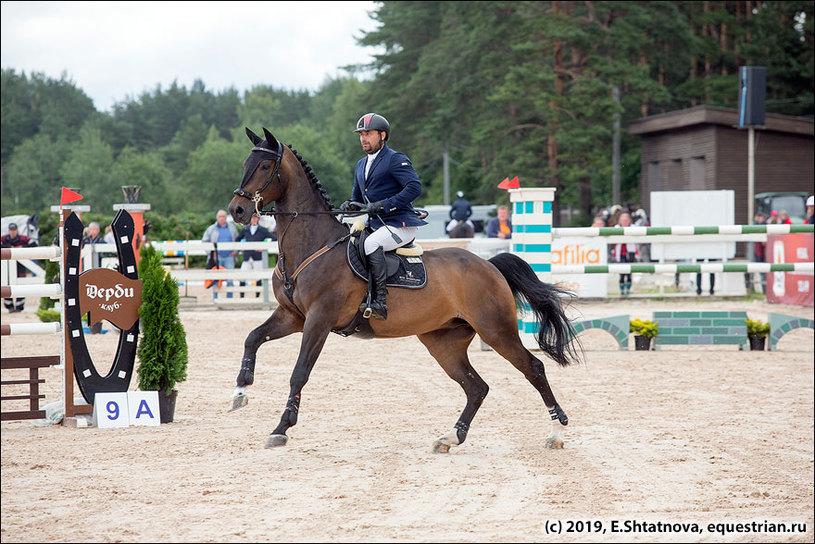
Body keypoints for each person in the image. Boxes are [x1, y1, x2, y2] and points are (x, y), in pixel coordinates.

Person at [339, 112, 427, 320]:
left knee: (371, 245)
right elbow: (357, 198)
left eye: (368, 133)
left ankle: (380, 301)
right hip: (377, 224)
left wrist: (384, 205)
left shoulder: (395, 159)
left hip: (399, 223)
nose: (363, 138)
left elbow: (414, 187)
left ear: (382, 135)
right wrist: (350, 206)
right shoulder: (361, 165)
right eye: (361, 134)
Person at [202, 209, 239, 299]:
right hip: (216, 258)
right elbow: (204, 242)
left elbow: (237, 240)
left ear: (226, 217)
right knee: (215, 279)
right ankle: (216, 299)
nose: (222, 218)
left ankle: (229, 299)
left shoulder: (232, 228)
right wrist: (211, 253)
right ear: (217, 218)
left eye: (223, 216)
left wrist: (235, 252)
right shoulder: (211, 229)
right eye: (220, 216)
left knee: (229, 279)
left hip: (229, 257)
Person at [1, 223, 38, 312]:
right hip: (7, 266)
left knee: (21, 284)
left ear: (17, 230)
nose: (12, 232)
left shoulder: (23, 239)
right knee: (7, 283)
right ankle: (9, 306)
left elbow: (34, 244)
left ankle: (19, 306)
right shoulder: (4, 238)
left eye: (14, 230)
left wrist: (22, 247)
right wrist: (9, 248)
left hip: (21, 265)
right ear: (9, 231)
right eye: (11, 230)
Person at [237, 213, 273, 298]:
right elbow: (237, 239)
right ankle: (242, 296)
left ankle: (257, 296)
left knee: (258, 277)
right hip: (247, 256)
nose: (253, 219)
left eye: (255, 217)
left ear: (258, 219)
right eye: (252, 217)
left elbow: (273, 238)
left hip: (257, 257)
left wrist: (264, 247)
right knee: (242, 276)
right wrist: (240, 248)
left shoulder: (263, 230)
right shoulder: (245, 229)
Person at [610, 212, 638, 296]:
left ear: (629, 221)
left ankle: (628, 289)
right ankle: (622, 290)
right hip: (620, 251)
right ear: (620, 221)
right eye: (623, 220)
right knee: (621, 272)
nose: (625, 222)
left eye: (626, 220)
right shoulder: (617, 228)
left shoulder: (634, 228)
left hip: (630, 251)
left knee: (629, 271)